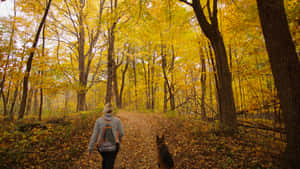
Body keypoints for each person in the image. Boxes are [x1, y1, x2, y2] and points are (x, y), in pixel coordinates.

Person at [88, 103, 124, 169]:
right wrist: (118, 139)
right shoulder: (117, 120)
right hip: (114, 147)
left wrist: (90, 149)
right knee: (110, 162)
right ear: (112, 110)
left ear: (104, 110)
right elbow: (121, 133)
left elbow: (94, 135)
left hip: (101, 148)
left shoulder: (98, 121)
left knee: (106, 160)